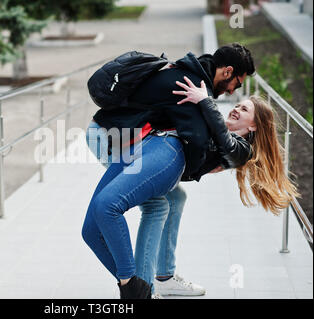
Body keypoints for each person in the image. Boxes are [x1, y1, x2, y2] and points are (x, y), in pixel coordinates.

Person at [82, 43, 296, 299]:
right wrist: (203, 102)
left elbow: (215, 145)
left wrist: (204, 104)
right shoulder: (192, 83)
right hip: (119, 138)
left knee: (159, 203)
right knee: (149, 209)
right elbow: (198, 140)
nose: (235, 100)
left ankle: (144, 285)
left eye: (244, 106)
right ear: (226, 72)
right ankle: (144, 283)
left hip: (146, 147)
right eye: (237, 87)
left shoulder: (238, 145)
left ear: (254, 127)